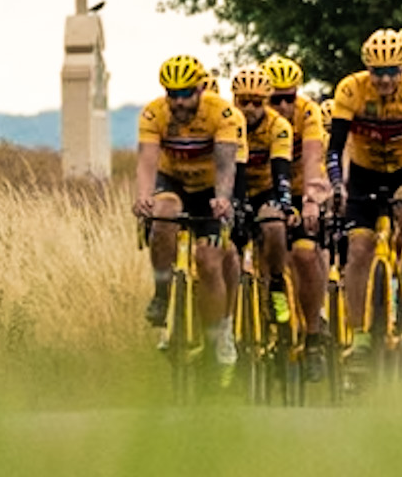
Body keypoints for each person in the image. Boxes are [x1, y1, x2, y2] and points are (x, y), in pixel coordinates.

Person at [326, 28, 402, 353]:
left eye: (392, 72)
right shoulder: (350, 89)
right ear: (368, 70)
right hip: (364, 170)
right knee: (358, 250)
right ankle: (359, 336)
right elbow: (335, 148)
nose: (385, 80)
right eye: (378, 72)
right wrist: (337, 185)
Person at [134, 53, 243, 368]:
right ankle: (162, 292)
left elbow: (226, 164)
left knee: (208, 261)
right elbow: (147, 161)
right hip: (174, 180)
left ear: (199, 90)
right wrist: (143, 197)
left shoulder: (222, 113)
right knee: (162, 216)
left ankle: (217, 336)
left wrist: (223, 199)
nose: (179, 102)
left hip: (209, 187)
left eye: (185, 94)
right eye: (172, 94)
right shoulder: (154, 114)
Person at [263, 54, 331, 378]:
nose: (282, 106)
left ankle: (314, 336)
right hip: (266, 189)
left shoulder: (308, 113)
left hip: (304, 188)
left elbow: (313, 160)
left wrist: (311, 204)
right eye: (274, 99)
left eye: (288, 98)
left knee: (304, 255)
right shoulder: (249, 113)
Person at [231, 63, 296, 330]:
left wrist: (285, 203)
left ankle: (277, 285)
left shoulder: (278, 126)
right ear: (234, 100)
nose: (249, 109)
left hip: (265, 189)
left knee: (274, 225)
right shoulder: (226, 122)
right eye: (243, 102)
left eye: (257, 103)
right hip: (234, 187)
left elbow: (281, 169)